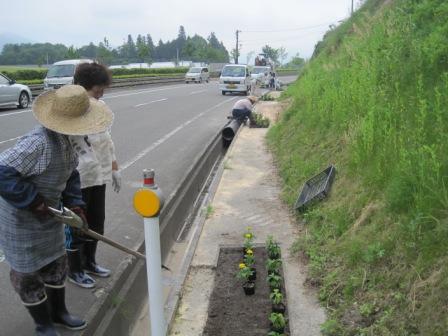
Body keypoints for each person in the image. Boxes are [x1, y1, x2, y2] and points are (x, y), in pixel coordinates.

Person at [0, 84, 113, 335]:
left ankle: (59, 313)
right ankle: (43, 324)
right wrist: (33, 200)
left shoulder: (66, 141)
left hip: (50, 214)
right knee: (28, 274)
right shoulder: (38, 143)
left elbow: (71, 174)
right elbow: (2, 171)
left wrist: (75, 204)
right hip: (21, 219)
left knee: (56, 263)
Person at [64, 62, 121, 288]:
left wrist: (115, 168)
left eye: (102, 90)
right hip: (76, 179)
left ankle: (90, 262)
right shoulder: (70, 111)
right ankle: (74, 270)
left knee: (97, 223)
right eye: (97, 90)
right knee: (77, 225)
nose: (101, 94)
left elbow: (108, 141)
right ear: (82, 87)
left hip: (98, 176)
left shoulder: (100, 106)